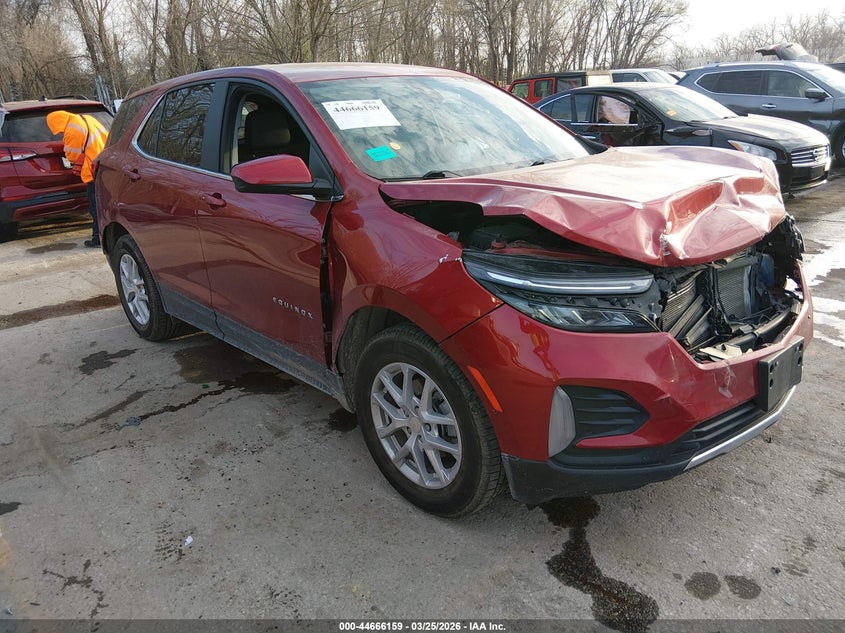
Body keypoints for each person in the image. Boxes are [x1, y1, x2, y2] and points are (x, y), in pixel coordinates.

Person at [46, 110, 109, 247]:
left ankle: (98, 239)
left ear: (57, 124)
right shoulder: (86, 118)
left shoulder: (72, 130)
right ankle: (107, 236)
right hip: (105, 163)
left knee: (96, 206)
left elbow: (72, 156)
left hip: (92, 169)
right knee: (106, 204)